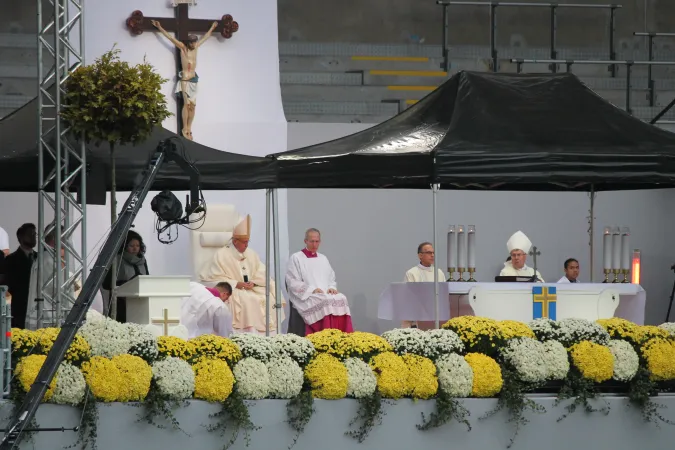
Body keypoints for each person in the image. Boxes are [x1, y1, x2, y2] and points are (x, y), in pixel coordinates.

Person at [199, 215, 285, 335]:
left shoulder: (251, 254)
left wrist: (253, 282)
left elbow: (262, 272)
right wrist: (236, 284)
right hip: (235, 289)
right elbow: (213, 277)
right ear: (235, 241)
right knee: (248, 299)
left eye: (247, 242)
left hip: (251, 289)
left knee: (267, 297)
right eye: (244, 242)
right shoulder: (222, 254)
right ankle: (248, 335)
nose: (246, 245)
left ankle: (266, 337)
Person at [151, 19, 218, 141]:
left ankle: (189, 128)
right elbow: (170, 39)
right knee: (186, 105)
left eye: (195, 42)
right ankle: (184, 129)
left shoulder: (196, 47)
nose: (194, 44)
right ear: (189, 42)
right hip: (185, 81)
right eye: (192, 43)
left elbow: (206, 37)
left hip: (193, 80)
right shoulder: (182, 48)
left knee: (193, 106)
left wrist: (212, 28)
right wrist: (160, 28)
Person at [286, 228, 353, 335]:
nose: (314, 244)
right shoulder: (296, 257)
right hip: (307, 296)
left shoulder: (323, 258)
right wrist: (312, 290)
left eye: (317, 241)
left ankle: (341, 337)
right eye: (311, 241)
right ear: (305, 241)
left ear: (320, 242)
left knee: (342, 298)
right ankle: (324, 335)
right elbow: (292, 281)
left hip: (324, 293)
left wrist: (332, 288)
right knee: (325, 301)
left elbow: (331, 278)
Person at [103, 230, 149, 323]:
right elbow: (106, 283)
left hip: (140, 303)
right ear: (124, 245)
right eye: (131, 246)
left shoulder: (142, 261)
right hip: (121, 303)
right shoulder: (116, 260)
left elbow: (146, 278)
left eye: (137, 246)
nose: (135, 248)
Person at [401, 242, 446, 329]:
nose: (432, 255)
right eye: (429, 253)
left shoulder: (439, 272)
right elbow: (408, 298)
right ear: (420, 255)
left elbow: (443, 296)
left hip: (436, 319)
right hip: (417, 320)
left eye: (433, 253)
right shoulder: (412, 273)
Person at [4, 224, 37, 328]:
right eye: (30, 234)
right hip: (20, 309)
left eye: (34, 234)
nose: (33, 237)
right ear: (20, 237)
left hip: (37, 308)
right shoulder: (11, 260)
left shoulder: (40, 257)